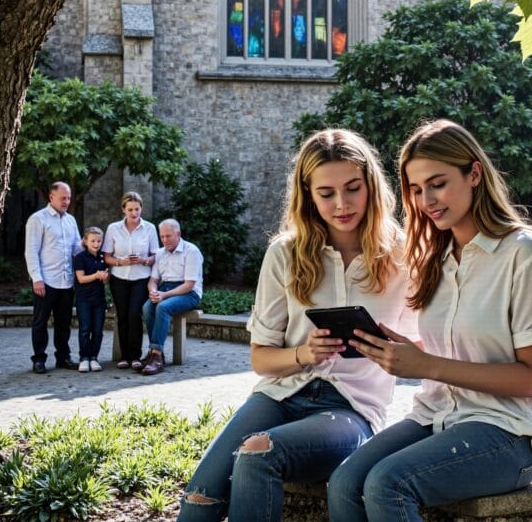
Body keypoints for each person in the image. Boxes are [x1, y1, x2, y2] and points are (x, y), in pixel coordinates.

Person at [327, 120, 532, 522]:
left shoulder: (525, 254)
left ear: (474, 174)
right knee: (345, 482)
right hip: (437, 415)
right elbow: (452, 350)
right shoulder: (433, 257)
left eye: (437, 184)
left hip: (511, 432)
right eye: (416, 189)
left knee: (387, 484)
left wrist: (427, 365)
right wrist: (405, 351)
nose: (427, 200)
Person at [177, 129, 416, 522]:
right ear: (308, 194)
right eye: (326, 193)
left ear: (371, 186)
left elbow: (429, 344)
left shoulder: (403, 255)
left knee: (257, 453)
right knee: (199, 497)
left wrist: (395, 350)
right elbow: (261, 359)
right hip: (279, 395)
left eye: (352, 188)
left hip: (351, 408)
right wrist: (305, 353)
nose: (342, 204)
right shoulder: (285, 254)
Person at [25, 181, 82, 373]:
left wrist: (93, 247)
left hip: (66, 281)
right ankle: (39, 359)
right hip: (46, 281)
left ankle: (63, 358)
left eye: (68, 198)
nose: (66, 201)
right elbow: (31, 251)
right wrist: (36, 278)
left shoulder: (71, 220)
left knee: (63, 323)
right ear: (51, 197)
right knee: (40, 322)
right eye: (63, 198)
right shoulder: (38, 219)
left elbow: (77, 249)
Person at [139, 219, 204, 376]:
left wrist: (164, 295)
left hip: (189, 293)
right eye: (162, 236)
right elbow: (153, 280)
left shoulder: (192, 251)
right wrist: (153, 291)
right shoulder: (160, 253)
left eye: (168, 236)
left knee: (163, 307)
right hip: (165, 289)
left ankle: (155, 355)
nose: (165, 240)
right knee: (147, 308)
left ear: (178, 234)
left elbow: (189, 284)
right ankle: (156, 353)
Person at [104, 191, 159, 370]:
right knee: (122, 316)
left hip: (141, 278)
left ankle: (135, 356)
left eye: (137, 209)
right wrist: (121, 262)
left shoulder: (150, 228)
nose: (134, 213)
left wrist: (143, 260)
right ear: (123, 210)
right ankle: (124, 357)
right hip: (119, 278)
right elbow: (107, 257)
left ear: (141, 208)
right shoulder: (113, 228)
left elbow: (155, 256)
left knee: (135, 314)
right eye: (130, 210)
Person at [73, 226, 110, 372]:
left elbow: (105, 281)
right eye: (93, 241)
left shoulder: (103, 257)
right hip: (84, 300)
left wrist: (105, 277)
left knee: (98, 330)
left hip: (99, 300)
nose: (96, 244)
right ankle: (84, 358)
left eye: (99, 241)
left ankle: (94, 357)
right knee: (84, 329)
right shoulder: (80, 257)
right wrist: (96, 275)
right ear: (85, 241)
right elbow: (81, 279)